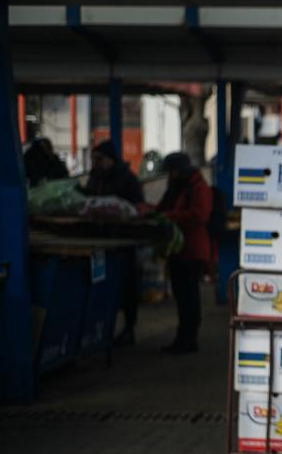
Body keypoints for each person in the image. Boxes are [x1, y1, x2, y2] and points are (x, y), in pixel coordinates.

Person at [84, 140, 145, 346]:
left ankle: (128, 329)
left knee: (127, 287)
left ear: (111, 159)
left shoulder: (128, 179)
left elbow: (137, 207)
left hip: (122, 242)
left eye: (99, 159)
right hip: (99, 242)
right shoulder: (94, 178)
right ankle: (101, 331)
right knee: (103, 289)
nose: (95, 163)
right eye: (93, 159)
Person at [156, 152, 212, 354]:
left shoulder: (197, 187)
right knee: (182, 297)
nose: (170, 176)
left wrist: (170, 216)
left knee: (189, 297)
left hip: (192, 250)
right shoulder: (177, 187)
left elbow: (199, 215)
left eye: (172, 171)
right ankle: (183, 337)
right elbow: (163, 207)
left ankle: (189, 338)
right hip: (178, 251)